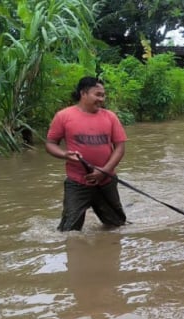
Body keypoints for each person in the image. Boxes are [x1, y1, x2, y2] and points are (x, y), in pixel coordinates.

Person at [45, 76, 127, 231]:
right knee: (69, 230)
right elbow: (50, 144)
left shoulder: (110, 117)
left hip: (106, 180)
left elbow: (120, 148)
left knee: (116, 225)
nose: (101, 99)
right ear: (83, 93)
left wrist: (104, 171)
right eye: (97, 95)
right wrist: (64, 154)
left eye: (103, 95)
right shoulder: (63, 116)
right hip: (77, 183)